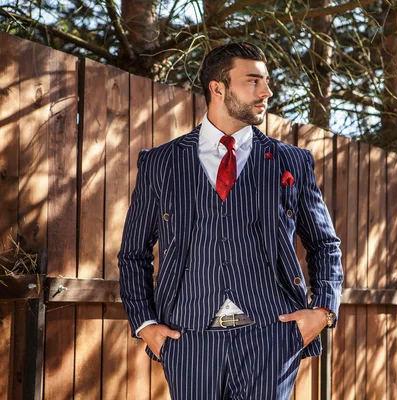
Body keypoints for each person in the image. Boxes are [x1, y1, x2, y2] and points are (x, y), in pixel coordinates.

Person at [117, 42, 343, 399]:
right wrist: (145, 324)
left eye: (266, 81)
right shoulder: (161, 163)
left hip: (272, 336)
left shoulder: (291, 162)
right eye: (253, 81)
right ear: (217, 87)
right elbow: (133, 253)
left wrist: (324, 310)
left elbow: (324, 244)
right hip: (188, 340)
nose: (267, 92)